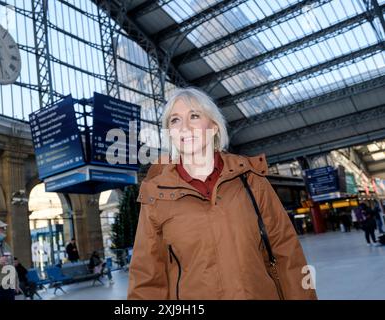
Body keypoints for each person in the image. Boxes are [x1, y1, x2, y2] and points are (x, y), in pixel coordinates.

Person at [127, 88, 317, 300]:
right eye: (175, 121)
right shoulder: (156, 196)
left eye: (194, 116)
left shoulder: (251, 181)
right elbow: (147, 278)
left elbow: (288, 255)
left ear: (214, 127)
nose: (185, 127)